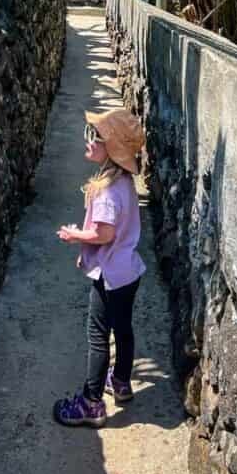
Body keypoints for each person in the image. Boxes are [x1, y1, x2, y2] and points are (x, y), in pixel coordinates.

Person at [53, 107, 147, 428]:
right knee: (123, 329)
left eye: (95, 137)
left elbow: (103, 233)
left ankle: (91, 402)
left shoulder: (106, 191)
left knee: (97, 336)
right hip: (128, 272)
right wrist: (87, 253)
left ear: (112, 149)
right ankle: (120, 381)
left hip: (109, 276)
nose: (89, 141)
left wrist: (74, 235)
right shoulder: (124, 183)